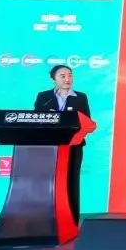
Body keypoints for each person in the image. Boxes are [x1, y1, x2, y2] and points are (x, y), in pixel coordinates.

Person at [33, 64, 91, 224]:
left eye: (70, 75)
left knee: (71, 181)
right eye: (63, 76)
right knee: (50, 181)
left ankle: (72, 220)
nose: (67, 79)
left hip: (74, 146)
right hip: (49, 146)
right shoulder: (43, 97)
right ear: (53, 79)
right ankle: (48, 219)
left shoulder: (80, 97)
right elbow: (36, 119)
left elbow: (86, 121)